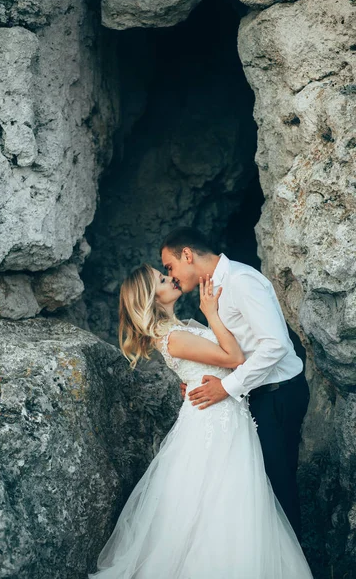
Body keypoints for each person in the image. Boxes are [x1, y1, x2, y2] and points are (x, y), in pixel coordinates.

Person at [88, 263, 313, 578]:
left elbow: (217, 365)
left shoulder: (177, 329)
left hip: (226, 415)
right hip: (215, 421)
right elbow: (233, 357)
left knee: (230, 499)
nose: (171, 279)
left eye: (166, 274)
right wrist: (211, 313)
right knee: (219, 498)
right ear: (151, 298)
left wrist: (194, 380)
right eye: (162, 280)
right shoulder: (173, 336)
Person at [160, 227, 310, 539]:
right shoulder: (212, 289)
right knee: (255, 495)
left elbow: (275, 345)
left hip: (277, 395)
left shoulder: (241, 281)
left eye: (169, 267)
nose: (171, 276)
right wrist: (199, 379)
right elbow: (229, 351)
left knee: (278, 492)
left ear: (187, 255)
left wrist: (225, 388)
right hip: (254, 397)